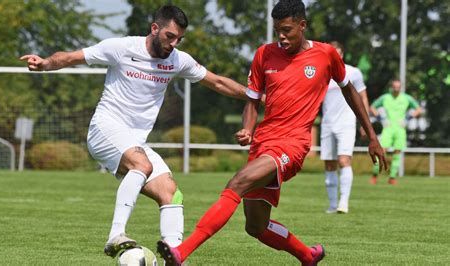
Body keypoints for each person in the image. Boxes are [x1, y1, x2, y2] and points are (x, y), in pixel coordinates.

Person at [157, 1, 387, 265]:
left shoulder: (326, 54)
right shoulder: (264, 54)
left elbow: (350, 91)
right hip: (263, 143)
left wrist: (371, 136)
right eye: (277, 30)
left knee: (238, 183)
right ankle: (308, 255)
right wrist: (247, 128)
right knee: (256, 226)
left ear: (302, 25)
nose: (281, 36)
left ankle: (180, 253)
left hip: (293, 146)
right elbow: (252, 101)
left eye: (287, 29)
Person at [20, 5, 249, 258]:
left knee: (170, 191)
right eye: (169, 36)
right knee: (142, 164)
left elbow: (216, 81)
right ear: (155, 28)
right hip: (105, 129)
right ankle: (115, 234)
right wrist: (44, 63)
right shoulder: (122, 48)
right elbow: (72, 57)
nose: (174, 43)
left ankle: (175, 256)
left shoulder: (177, 60)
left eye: (179, 39)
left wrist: (255, 95)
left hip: (134, 140)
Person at [320, 41, 369, 214]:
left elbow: (362, 97)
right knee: (329, 164)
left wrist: (365, 122)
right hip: (327, 123)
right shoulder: (322, 72)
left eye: (336, 51)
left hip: (346, 123)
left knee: (344, 160)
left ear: (341, 53)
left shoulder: (353, 72)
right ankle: (332, 205)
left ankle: (343, 203)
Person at [369, 78, 421, 185]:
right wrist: (381, 119)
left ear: (400, 88)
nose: (396, 89)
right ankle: (375, 175)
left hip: (400, 128)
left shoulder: (407, 98)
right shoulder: (385, 97)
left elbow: (419, 109)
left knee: (397, 153)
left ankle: (392, 177)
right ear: (391, 87)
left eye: (398, 87)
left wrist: (407, 118)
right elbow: (372, 107)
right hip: (388, 128)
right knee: (381, 152)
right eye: (395, 87)